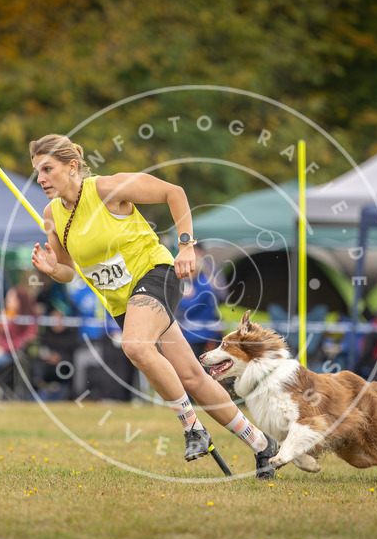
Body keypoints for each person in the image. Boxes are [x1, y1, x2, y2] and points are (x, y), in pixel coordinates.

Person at [28, 133, 278, 477]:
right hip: (123, 302)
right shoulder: (52, 214)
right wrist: (51, 268)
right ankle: (262, 444)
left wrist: (186, 246)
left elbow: (173, 193)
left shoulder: (107, 189)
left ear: (72, 167)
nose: (40, 179)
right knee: (191, 376)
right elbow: (68, 272)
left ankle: (193, 429)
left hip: (156, 273)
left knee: (134, 344)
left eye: (47, 169)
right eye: (37, 172)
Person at [176, 244, 225, 357]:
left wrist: (180, 298)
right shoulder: (197, 284)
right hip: (195, 332)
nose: (185, 274)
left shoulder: (204, 286)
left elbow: (190, 307)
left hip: (202, 335)